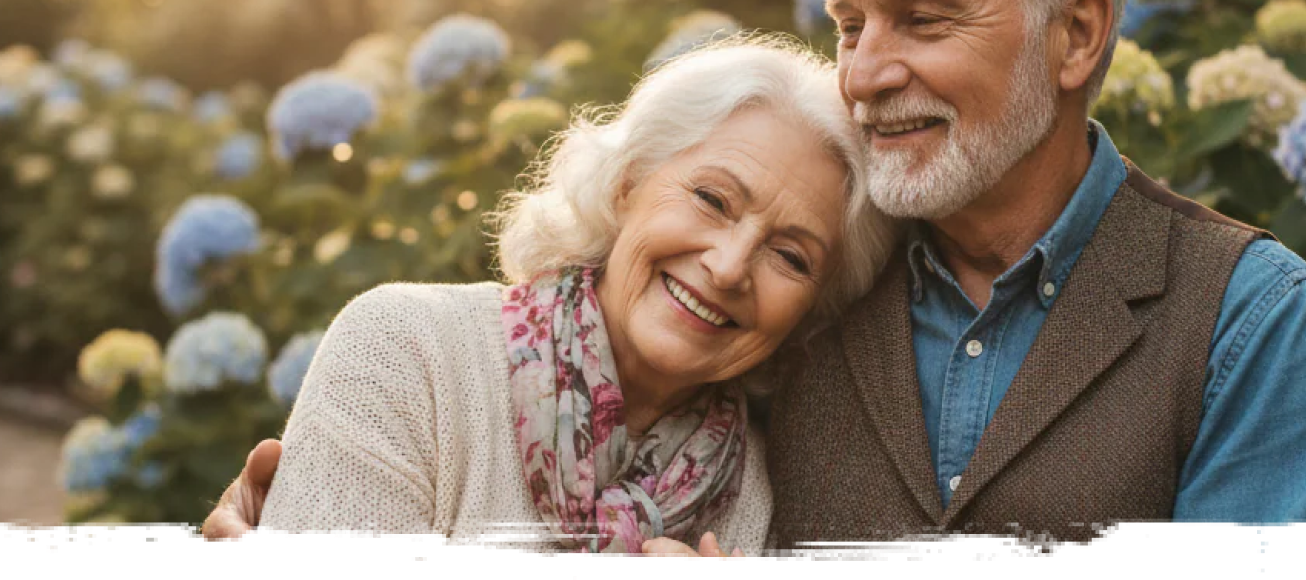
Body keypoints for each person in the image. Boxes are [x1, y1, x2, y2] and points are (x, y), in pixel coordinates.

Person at [208, 0, 1306, 560]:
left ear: (1077, 36)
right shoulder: (813, 293)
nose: (865, 72)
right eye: (850, 21)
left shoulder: (1248, 318)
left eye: (924, 17)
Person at [239, 36, 900, 558]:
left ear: (811, 309)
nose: (729, 267)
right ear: (626, 184)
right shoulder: (409, 352)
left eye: (790, 256)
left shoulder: (758, 503)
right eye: (711, 198)